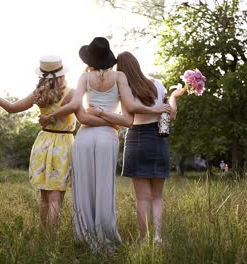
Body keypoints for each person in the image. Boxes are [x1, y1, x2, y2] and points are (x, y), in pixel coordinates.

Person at [40, 37, 170, 252]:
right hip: (107, 137)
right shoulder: (119, 76)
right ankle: (105, 236)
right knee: (103, 189)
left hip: (84, 138)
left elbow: (78, 111)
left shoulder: (84, 77)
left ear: (90, 58)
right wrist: (111, 120)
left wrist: (53, 116)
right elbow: (128, 117)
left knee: (84, 189)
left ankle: (84, 237)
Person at [88, 51, 186, 243]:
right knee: (157, 197)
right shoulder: (157, 84)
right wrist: (174, 95)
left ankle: (144, 238)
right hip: (159, 139)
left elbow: (130, 112)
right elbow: (171, 114)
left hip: (138, 139)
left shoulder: (125, 88)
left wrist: (100, 112)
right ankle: (157, 238)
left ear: (121, 69)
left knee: (142, 198)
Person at [0, 55, 76, 227]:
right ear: (61, 73)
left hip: (43, 143)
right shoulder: (71, 93)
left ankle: (44, 236)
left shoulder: (39, 94)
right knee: (55, 197)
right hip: (62, 145)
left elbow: (11, 108)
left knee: (45, 197)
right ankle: (52, 240)